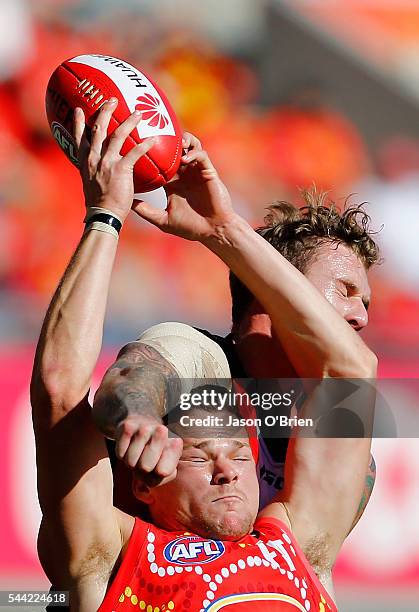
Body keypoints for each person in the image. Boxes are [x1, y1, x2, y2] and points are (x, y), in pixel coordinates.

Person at [32, 99, 377, 611]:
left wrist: (226, 229)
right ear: (275, 295)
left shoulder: (301, 529)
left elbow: (350, 371)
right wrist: (140, 419)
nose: (361, 318)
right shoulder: (199, 360)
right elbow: (96, 388)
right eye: (344, 291)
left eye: (239, 453)